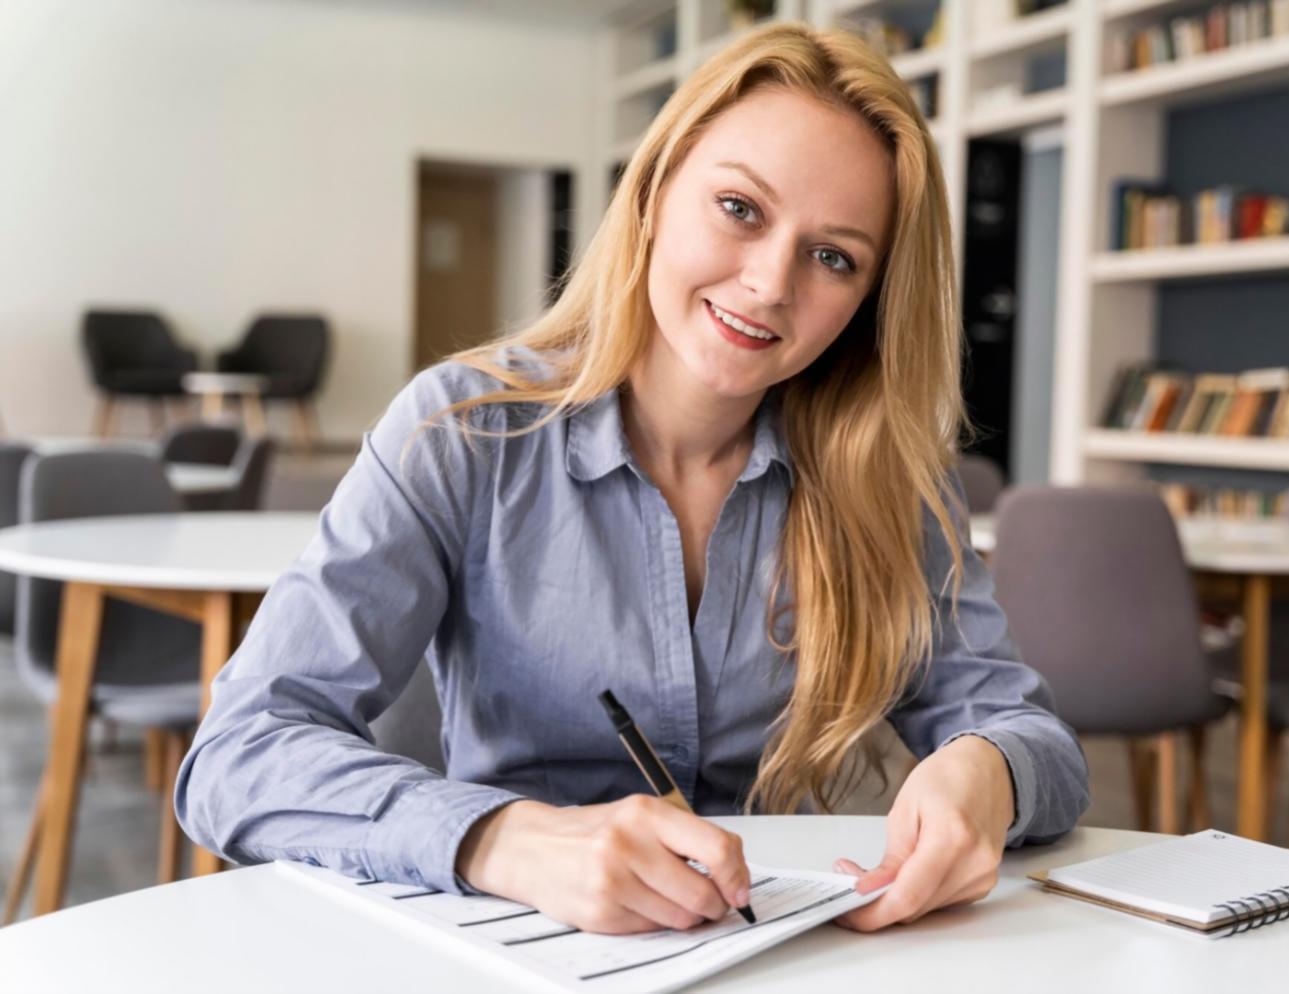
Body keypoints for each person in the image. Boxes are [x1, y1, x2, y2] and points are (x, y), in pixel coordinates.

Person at [176, 22, 1088, 935]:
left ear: (866, 305)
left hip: (777, 950)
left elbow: (1032, 735)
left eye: (833, 257)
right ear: (653, 191)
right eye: (740, 208)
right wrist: (506, 840)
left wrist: (989, 771)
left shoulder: (888, 479)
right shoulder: (462, 432)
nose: (771, 283)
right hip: (516, 946)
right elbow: (236, 754)